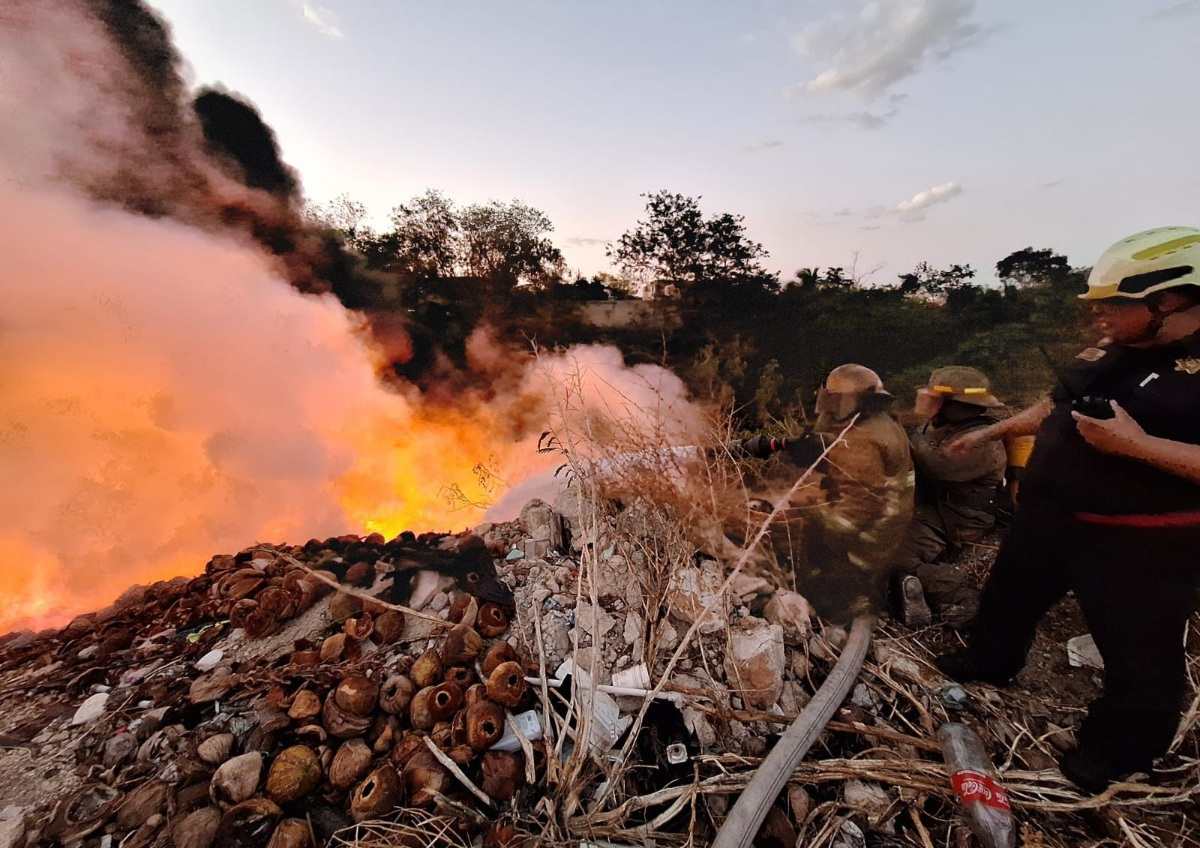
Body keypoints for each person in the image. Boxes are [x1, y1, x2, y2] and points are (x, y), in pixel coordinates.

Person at [935, 227, 1200, 793]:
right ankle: (990, 661)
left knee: (1140, 663)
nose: (1099, 314)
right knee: (1007, 598)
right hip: (1048, 520)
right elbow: (1057, 406)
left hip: (1140, 544)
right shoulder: (1118, 347)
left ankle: (1114, 755)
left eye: (1113, 304)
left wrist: (1137, 447)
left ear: (1169, 299)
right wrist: (991, 433)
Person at [746, 364, 915, 624]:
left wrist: (804, 521)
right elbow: (864, 481)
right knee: (797, 511)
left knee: (782, 534)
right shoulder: (885, 425)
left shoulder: (860, 441)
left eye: (837, 401)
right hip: (894, 526)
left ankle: (844, 600)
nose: (830, 408)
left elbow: (853, 515)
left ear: (856, 402)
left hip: (871, 545)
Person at [893, 366, 1007, 628]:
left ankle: (963, 599)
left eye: (935, 398)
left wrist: (896, 433)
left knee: (895, 556)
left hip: (962, 518)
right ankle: (911, 591)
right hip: (939, 509)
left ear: (952, 404)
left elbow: (934, 464)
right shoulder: (945, 427)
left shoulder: (981, 441)